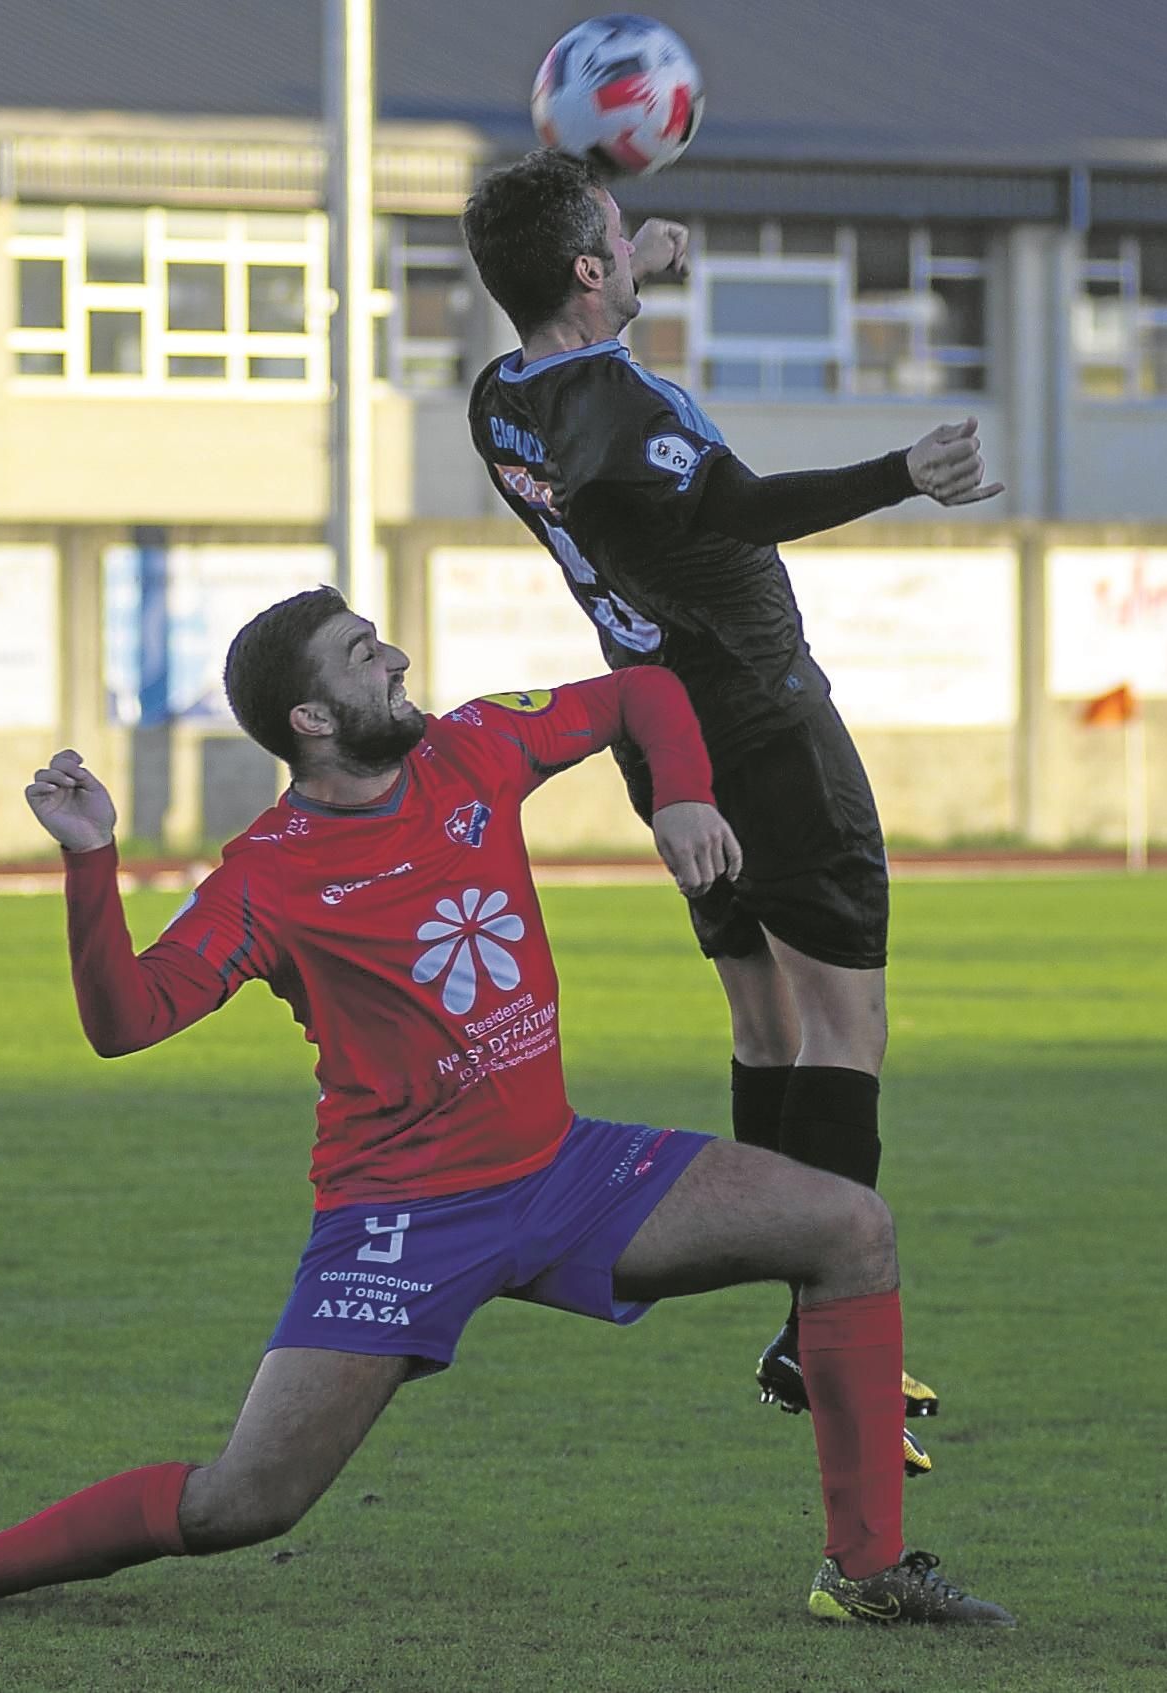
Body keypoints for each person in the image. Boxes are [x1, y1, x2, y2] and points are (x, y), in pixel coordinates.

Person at [0, 587, 1011, 1629]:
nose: (396, 658)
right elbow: (126, 1018)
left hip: (563, 1173)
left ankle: (868, 1573)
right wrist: (91, 860)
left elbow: (642, 693)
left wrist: (683, 802)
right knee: (245, 1502)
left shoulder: (473, 750)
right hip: (400, 1219)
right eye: (363, 655)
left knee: (851, 1228)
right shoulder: (264, 874)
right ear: (310, 718)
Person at [460, 151, 1003, 1442]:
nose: (631, 237)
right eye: (611, 234)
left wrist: (623, 268)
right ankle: (819, 1322)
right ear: (586, 271)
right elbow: (746, 505)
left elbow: (578, 345)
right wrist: (903, 474)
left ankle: (785, 1296)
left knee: (766, 1026)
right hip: (761, 726)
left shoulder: (501, 397)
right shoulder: (611, 412)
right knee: (843, 1030)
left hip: (667, 741)